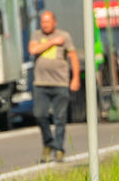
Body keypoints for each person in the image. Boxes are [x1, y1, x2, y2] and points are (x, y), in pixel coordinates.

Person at [29, 10, 81, 163]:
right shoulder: (37, 35)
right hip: (41, 83)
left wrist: (75, 78)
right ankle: (48, 143)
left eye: (48, 21)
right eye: (43, 22)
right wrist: (52, 42)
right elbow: (33, 50)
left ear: (54, 22)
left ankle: (58, 148)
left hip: (60, 82)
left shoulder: (64, 36)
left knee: (60, 117)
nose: (45, 24)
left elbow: (73, 57)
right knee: (39, 114)